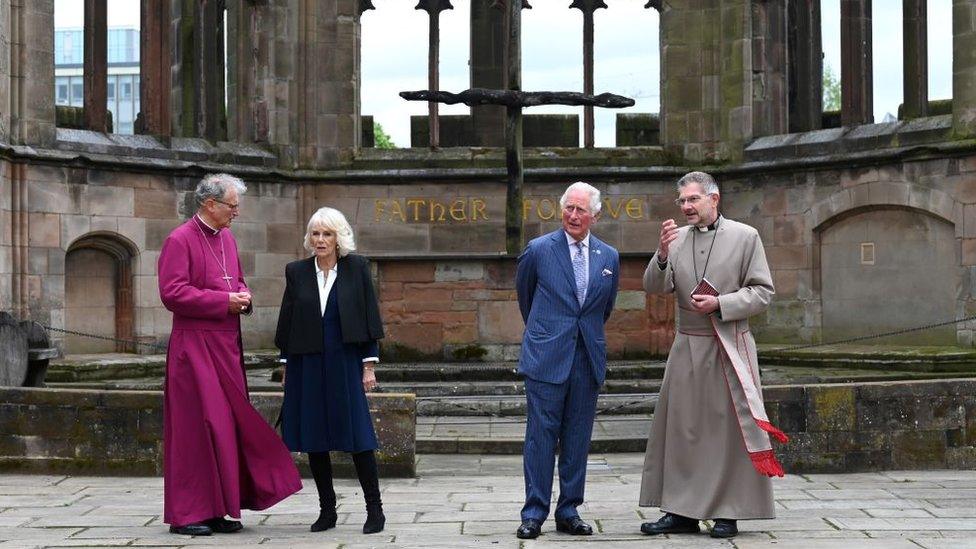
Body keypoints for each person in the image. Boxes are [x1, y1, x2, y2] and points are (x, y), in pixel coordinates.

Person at [638, 171, 787, 539]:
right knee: (683, 431)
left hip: (729, 346)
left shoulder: (745, 237)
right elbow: (654, 287)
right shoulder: (675, 240)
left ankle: (727, 511)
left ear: (714, 199)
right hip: (687, 346)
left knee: (727, 434)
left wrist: (721, 302)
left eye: (693, 199)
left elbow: (763, 292)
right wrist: (660, 255)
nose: (687, 207)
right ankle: (680, 511)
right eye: (683, 201)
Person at [158, 173, 302, 536]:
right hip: (193, 348)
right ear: (210, 204)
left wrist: (243, 296)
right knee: (196, 427)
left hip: (225, 346)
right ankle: (188, 513)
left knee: (226, 427)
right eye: (232, 206)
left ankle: (222, 507)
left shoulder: (227, 238)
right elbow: (172, 293)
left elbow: (235, 280)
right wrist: (225, 301)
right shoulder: (179, 240)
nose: (237, 213)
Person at [514, 181, 620, 539]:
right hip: (546, 357)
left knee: (577, 438)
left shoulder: (609, 257)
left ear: (595, 215)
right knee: (540, 437)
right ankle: (534, 513)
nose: (574, 216)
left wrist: (579, 336)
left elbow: (602, 309)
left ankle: (569, 509)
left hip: (586, 358)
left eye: (581, 210)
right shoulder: (538, 250)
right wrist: (548, 335)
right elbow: (525, 299)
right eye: (568, 208)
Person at [274, 207, 386, 534]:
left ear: (339, 237)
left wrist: (369, 366)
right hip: (306, 362)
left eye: (327, 234)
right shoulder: (296, 271)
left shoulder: (356, 268)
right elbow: (287, 321)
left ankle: (374, 510)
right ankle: (327, 510)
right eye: (316, 234)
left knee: (358, 436)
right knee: (315, 437)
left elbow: (369, 318)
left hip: (345, 361)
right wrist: (285, 367)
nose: (320, 240)